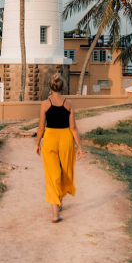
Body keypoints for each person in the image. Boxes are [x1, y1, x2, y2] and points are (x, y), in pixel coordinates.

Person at [36, 73, 82, 223]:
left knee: (52, 175)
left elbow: (41, 127)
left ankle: (55, 213)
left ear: (50, 87)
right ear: (62, 87)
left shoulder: (45, 104)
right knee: (64, 171)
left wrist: (37, 144)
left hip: (49, 138)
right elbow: (73, 127)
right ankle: (59, 201)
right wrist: (79, 146)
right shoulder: (69, 104)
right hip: (65, 138)